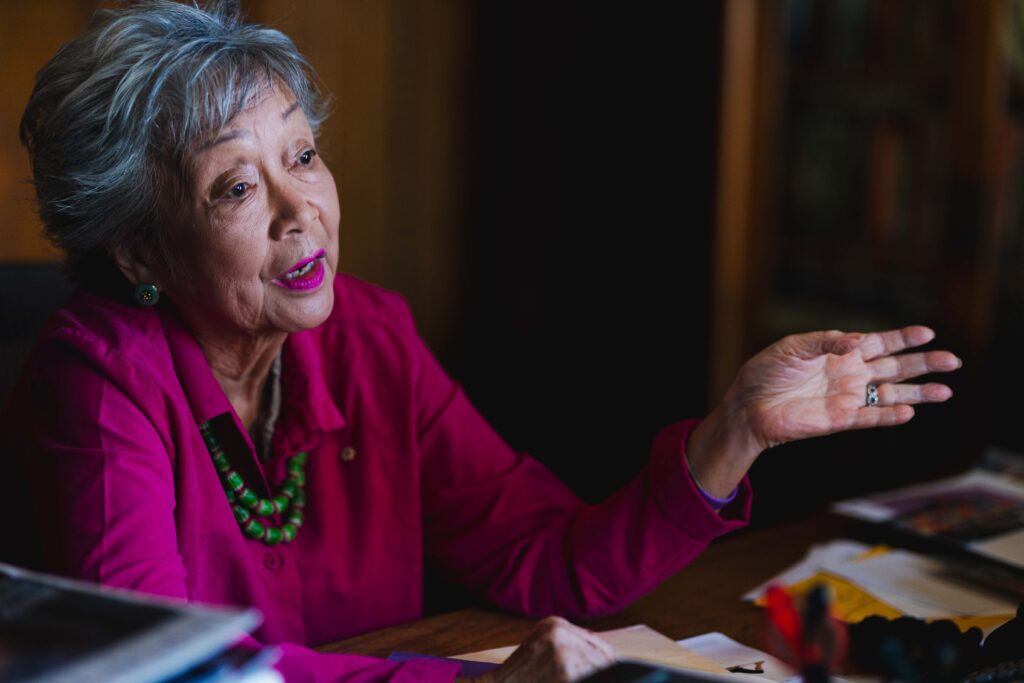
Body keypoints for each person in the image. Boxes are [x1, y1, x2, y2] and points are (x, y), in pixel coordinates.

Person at [2, 2, 960, 681]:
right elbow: (174, 670)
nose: (306, 213)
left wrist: (735, 432)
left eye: (302, 155)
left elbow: (547, 557)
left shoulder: (372, 335)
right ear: (140, 247)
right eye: (237, 188)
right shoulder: (97, 374)